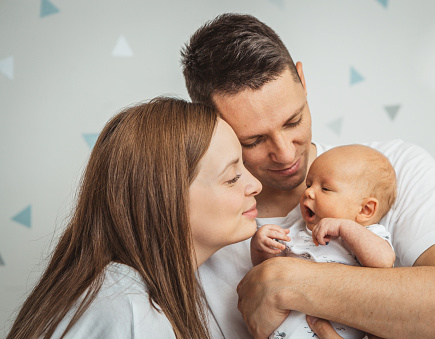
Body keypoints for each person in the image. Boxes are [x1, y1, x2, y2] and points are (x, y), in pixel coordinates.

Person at [181, 13, 435, 339]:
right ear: (211, 128)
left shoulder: (394, 170)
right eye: (254, 140)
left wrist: (285, 282)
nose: (287, 154)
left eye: (293, 121)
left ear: (302, 81)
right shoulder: (197, 230)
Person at [7, 97, 262, 339]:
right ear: (166, 197)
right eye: (232, 178)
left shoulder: (128, 297)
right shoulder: (128, 310)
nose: (255, 185)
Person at [251, 144, 397, 339]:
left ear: (365, 210)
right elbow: (267, 278)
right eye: (309, 184)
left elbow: (384, 261)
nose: (309, 193)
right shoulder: (296, 228)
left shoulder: (368, 234)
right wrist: (261, 248)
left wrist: (344, 228)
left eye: (325, 188)